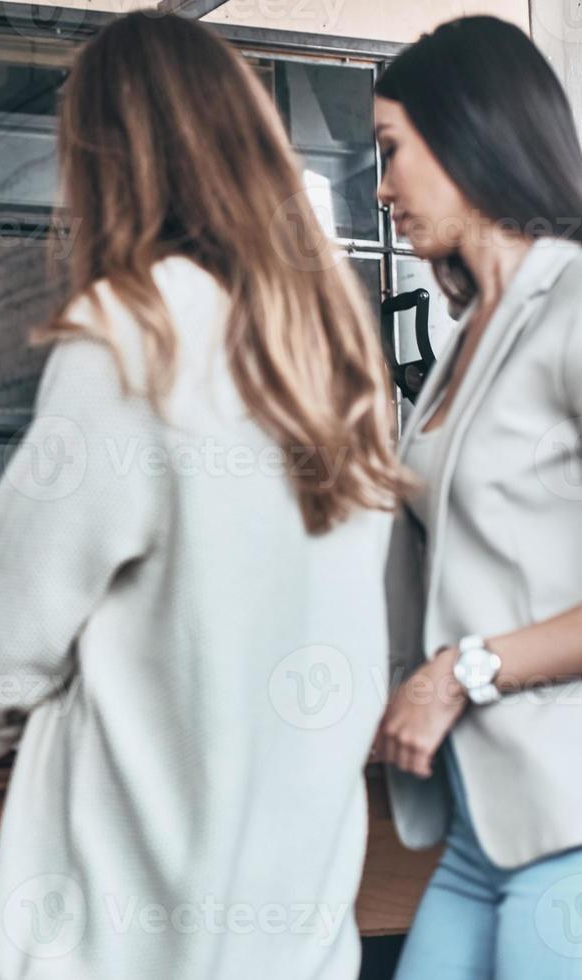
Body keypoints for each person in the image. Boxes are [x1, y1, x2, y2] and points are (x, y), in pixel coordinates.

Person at [0, 13, 408, 979]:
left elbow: (13, 638)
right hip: (291, 916)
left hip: (133, 916)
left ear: (105, 159)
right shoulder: (333, 352)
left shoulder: (135, 326)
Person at [368, 17, 582, 978]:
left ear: (466, 136)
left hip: (569, 819)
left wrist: (459, 672)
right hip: (480, 823)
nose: (379, 188)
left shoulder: (575, 305)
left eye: (389, 151)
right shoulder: (463, 333)